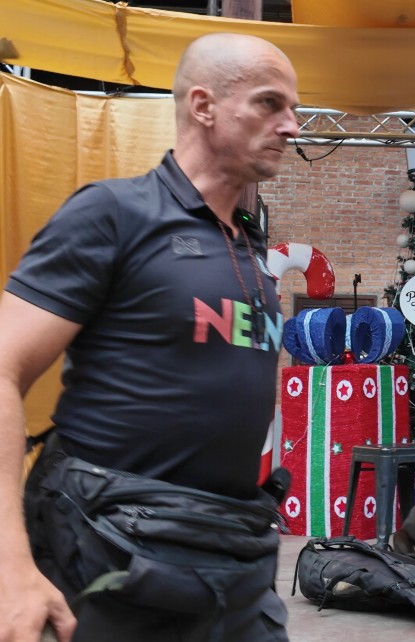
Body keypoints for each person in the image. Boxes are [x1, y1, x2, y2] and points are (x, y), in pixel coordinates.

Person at [0, 33, 301, 642]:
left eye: (293, 108)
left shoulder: (247, 243)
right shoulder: (114, 214)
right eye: (271, 104)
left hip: (233, 556)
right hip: (112, 557)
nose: (292, 126)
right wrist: (11, 570)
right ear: (203, 105)